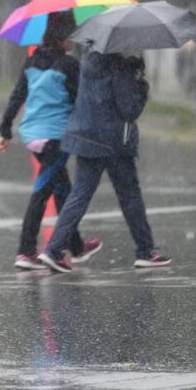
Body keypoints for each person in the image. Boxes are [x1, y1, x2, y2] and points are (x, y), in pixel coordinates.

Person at [38, 50, 171, 272]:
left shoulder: (90, 59)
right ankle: (145, 251)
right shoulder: (123, 65)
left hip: (86, 136)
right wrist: (142, 85)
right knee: (129, 195)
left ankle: (53, 250)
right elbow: (129, 109)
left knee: (79, 194)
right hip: (113, 141)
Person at [0, 11, 101, 270]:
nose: (73, 42)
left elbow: (17, 95)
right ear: (62, 38)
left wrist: (5, 129)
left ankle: (75, 246)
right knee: (42, 192)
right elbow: (82, 100)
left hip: (31, 134)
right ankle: (26, 250)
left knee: (62, 189)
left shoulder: (31, 62)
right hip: (56, 136)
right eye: (71, 36)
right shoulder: (69, 65)